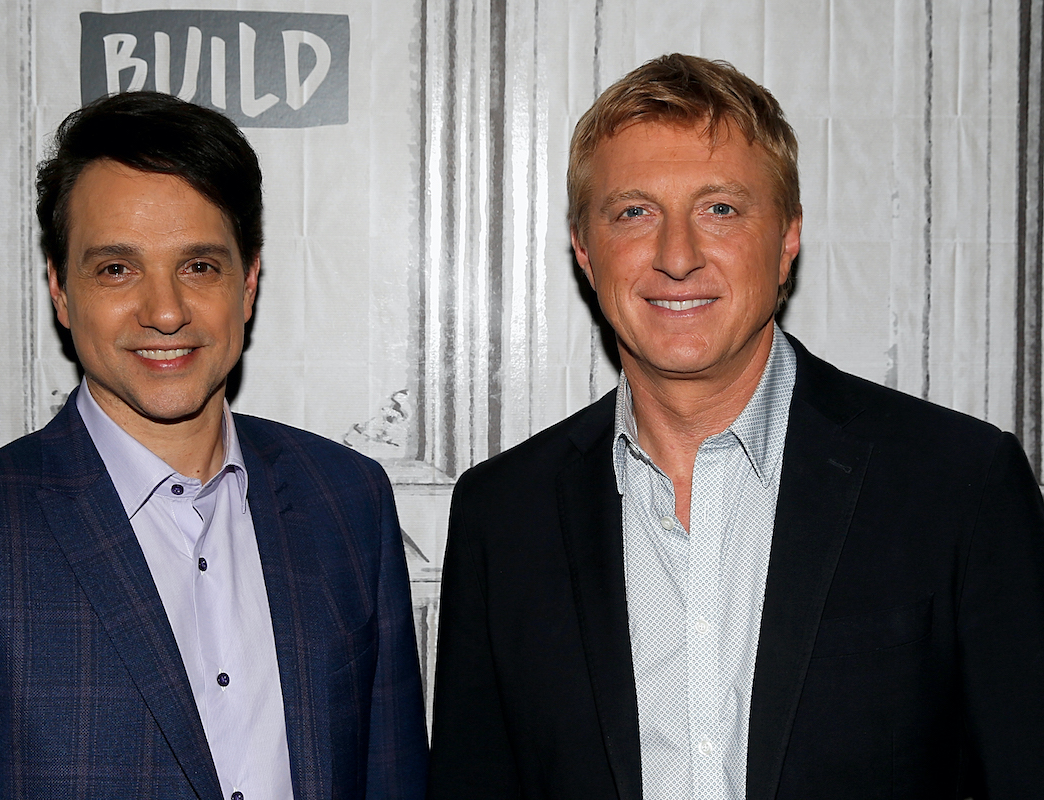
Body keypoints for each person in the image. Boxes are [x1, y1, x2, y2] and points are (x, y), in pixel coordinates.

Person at [426, 53, 1044, 799]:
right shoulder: (503, 514)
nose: (677, 256)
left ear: (787, 239)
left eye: (720, 209)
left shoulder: (959, 485)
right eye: (634, 212)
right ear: (585, 250)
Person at [0, 91, 428, 799]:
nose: (165, 311)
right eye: (117, 269)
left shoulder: (347, 500)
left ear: (248, 283)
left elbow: (392, 776)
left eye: (199, 266)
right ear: (61, 290)